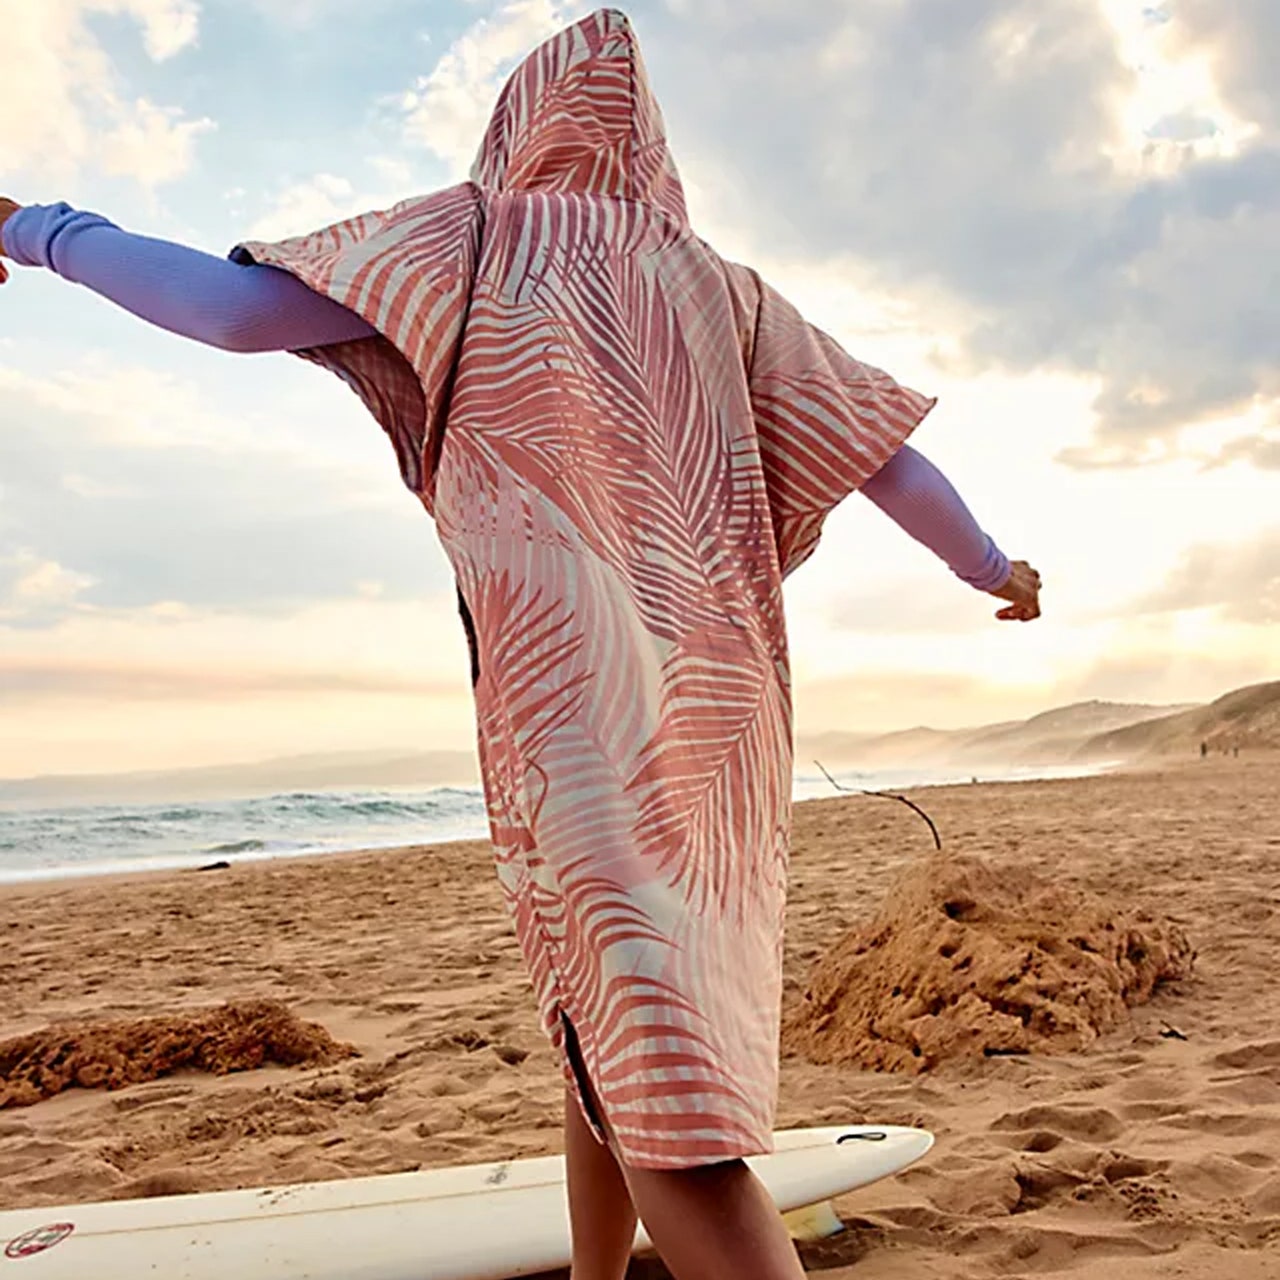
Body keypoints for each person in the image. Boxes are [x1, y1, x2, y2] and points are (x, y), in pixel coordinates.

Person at [0, 10, 1041, 1277]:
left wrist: (35, 228)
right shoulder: (724, 290)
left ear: (513, 126)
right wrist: (992, 569)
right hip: (724, 715)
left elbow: (226, 314)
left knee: (670, 1100)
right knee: (608, 1025)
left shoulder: (473, 237)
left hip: (575, 714)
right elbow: (889, 459)